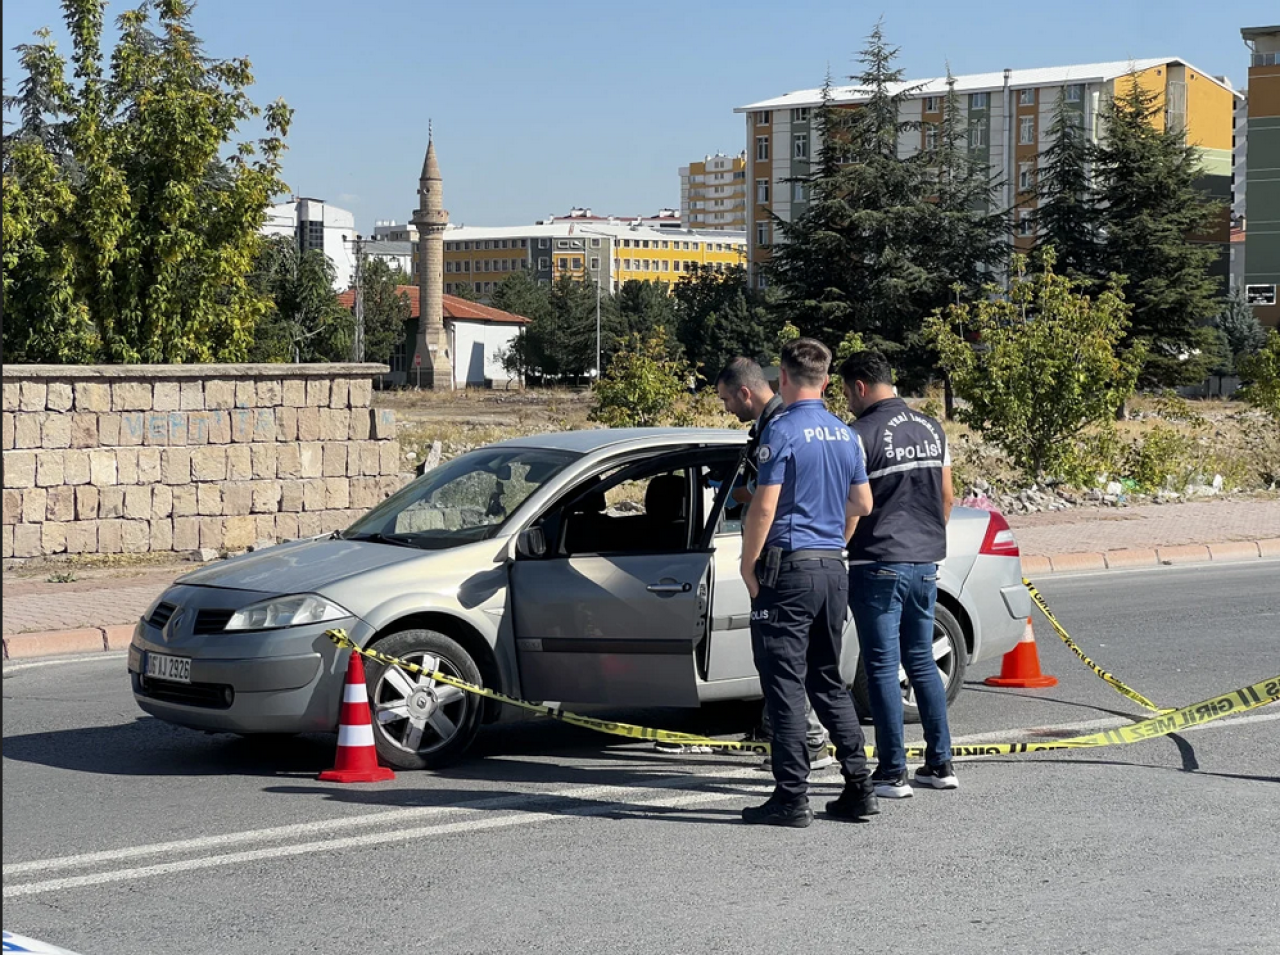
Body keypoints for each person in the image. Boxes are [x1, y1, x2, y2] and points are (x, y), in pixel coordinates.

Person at [739, 338, 877, 827]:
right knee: (826, 678)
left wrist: (748, 564)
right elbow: (862, 504)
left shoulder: (783, 430)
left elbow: (764, 504)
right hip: (831, 568)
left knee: (784, 682)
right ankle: (860, 787)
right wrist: (832, 539)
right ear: (825, 376)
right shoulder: (845, 434)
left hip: (789, 568)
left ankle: (791, 797)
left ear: (782, 375)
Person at [840, 350, 958, 797]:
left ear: (861, 387)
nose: (848, 402)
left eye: (848, 392)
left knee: (883, 668)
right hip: (925, 561)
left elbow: (853, 503)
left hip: (877, 562)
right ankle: (940, 764)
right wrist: (924, 540)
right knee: (923, 661)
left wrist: (840, 547)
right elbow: (946, 495)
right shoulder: (932, 427)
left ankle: (892, 771)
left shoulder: (858, 434)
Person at [707, 357, 832, 770]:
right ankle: (775, 730)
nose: (727, 408)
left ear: (746, 392)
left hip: (782, 558)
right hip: (800, 558)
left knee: (787, 660)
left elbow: (765, 498)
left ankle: (809, 742)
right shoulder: (771, 425)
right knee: (776, 657)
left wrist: (732, 500)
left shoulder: (780, 427)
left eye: (727, 400)